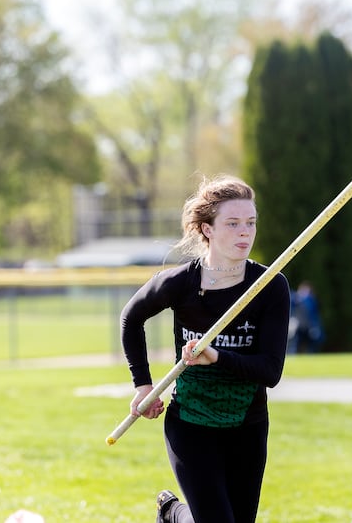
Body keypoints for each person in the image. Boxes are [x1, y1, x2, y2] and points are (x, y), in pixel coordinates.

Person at [119, 174, 291, 523]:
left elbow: (270, 372)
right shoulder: (181, 283)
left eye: (250, 222)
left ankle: (172, 515)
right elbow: (131, 318)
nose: (245, 232)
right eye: (232, 223)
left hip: (248, 426)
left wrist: (217, 357)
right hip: (191, 425)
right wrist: (143, 386)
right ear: (207, 229)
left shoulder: (270, 288)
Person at [287, 281, 325, 354]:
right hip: (297, 327)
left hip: (308, 327)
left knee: (312, 344)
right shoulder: (295, 297)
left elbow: (314, 315)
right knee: (293, 344)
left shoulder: (311, 301)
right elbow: (291, 300)